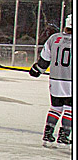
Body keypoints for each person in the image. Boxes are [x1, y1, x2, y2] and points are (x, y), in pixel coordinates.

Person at [30, 14, 72, 148]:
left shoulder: (54, 38)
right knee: (70, 108)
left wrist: (37, 70)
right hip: (71, 81)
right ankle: (64, 136)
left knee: (56, 107)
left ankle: (48, 135)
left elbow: (44, 61)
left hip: (55, 80)